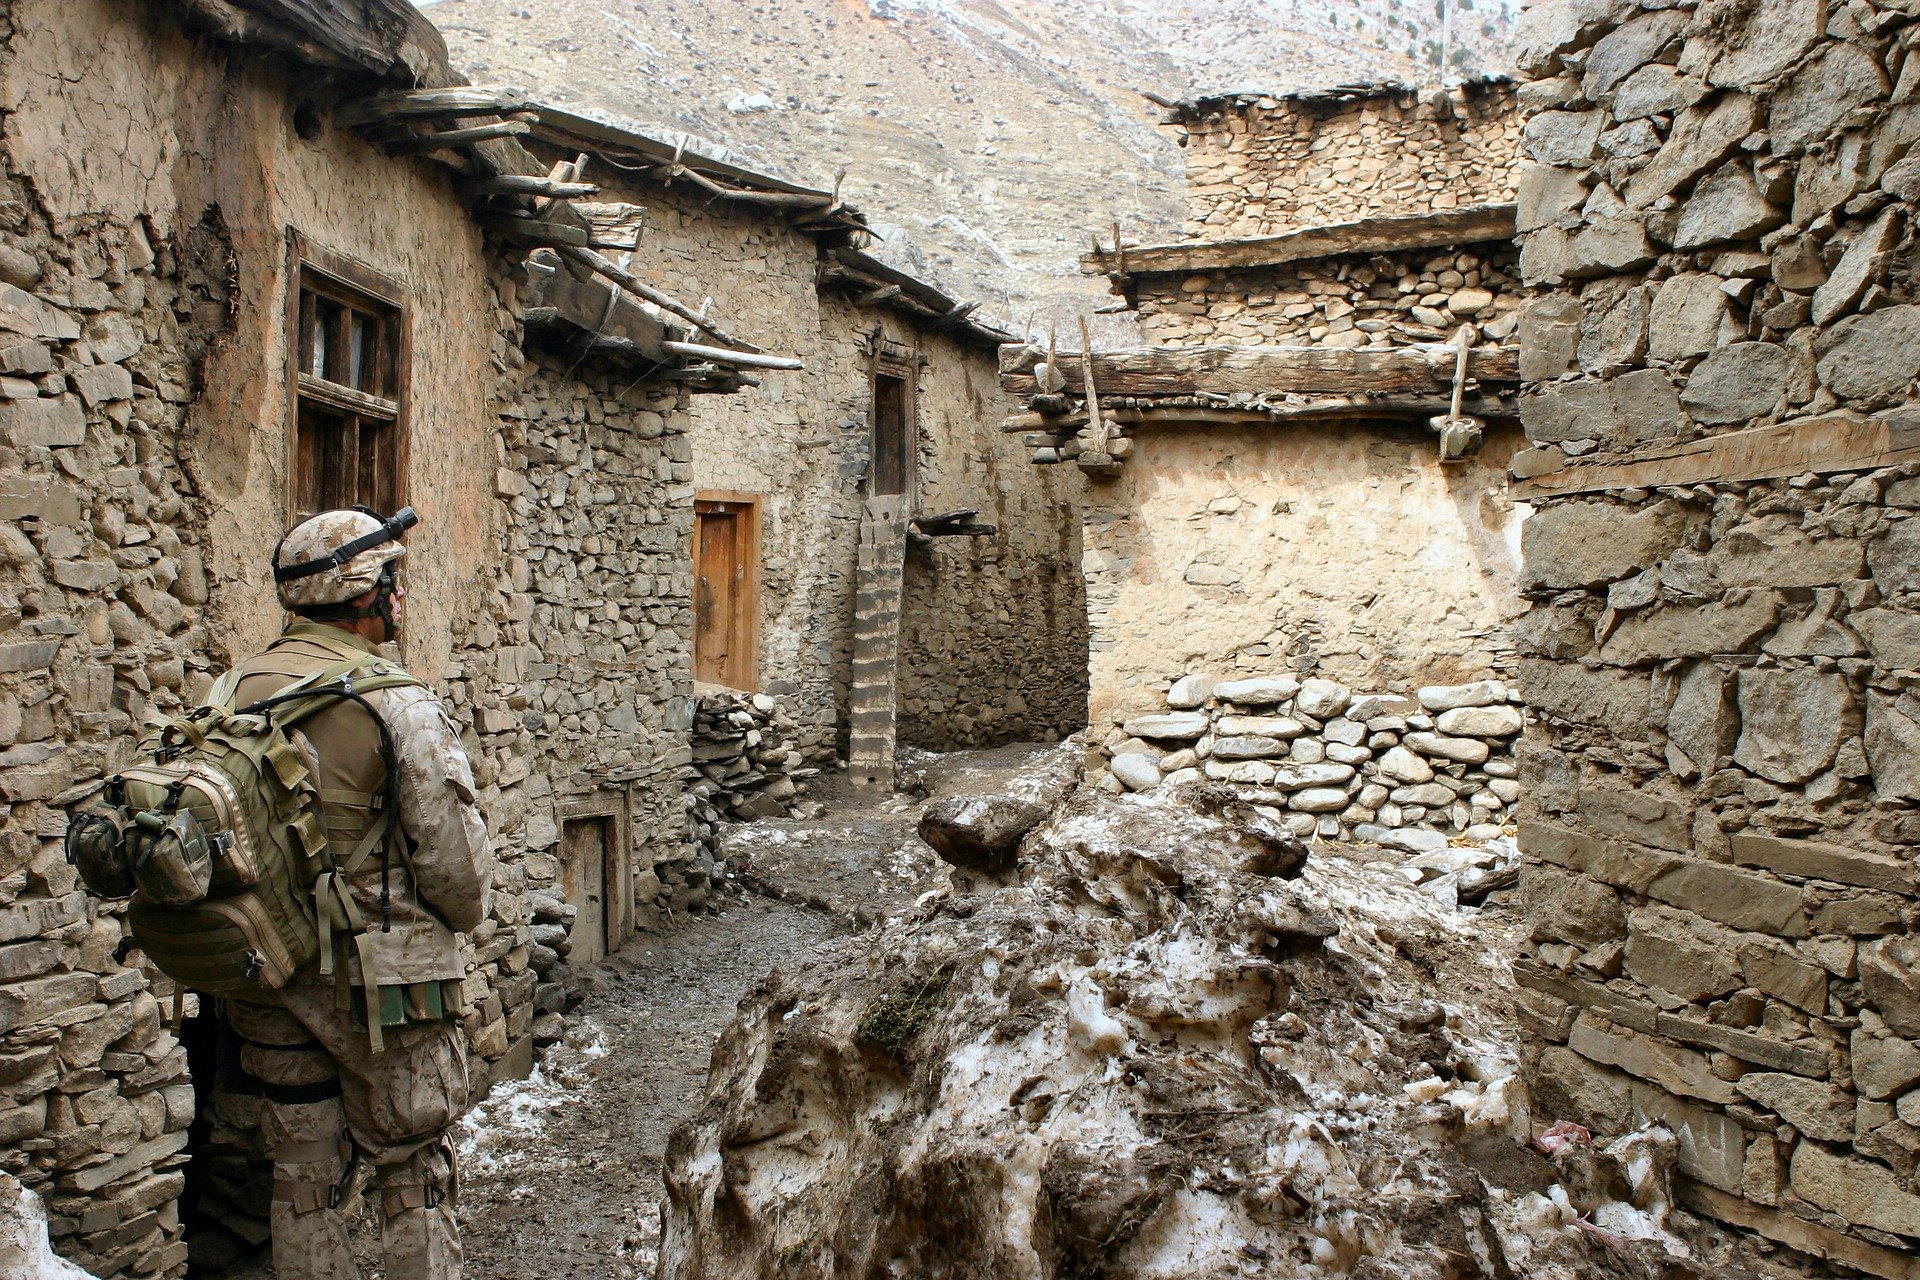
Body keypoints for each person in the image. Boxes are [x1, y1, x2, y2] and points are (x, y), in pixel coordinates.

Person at [221, 507, 492, 1280]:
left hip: (270, 973)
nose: (401, 597)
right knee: (413, 1175)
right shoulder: (396, 702)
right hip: (388, 992)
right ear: (365, 592)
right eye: (393, 581)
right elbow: (456, 879)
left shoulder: (233, 689)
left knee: (303, 1179)